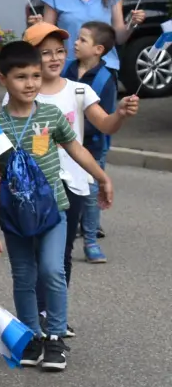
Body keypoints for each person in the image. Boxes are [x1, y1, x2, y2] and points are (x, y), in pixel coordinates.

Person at [0, 40, 113, 372]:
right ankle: (32, 336)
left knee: (52, 270)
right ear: (3, 79)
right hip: (14, 216)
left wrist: (102, 178)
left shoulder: (50, 115)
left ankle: (56, 336)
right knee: (23, 276)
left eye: (34, 76)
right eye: (20, 77)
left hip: (53, 209)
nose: (30, 84)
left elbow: (77, 150)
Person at [17, 22, 136, 302]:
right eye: (45, 53)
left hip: (72, 184)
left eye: (59, 51)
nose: (55, 58)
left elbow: (106, 125)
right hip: (31, 185)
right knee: (34, 254)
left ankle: (55, 316)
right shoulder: (20, 94)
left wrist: (120, 113)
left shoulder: (78, 91)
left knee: (62, 253)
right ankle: (34, 314)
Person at [64, 21, 121, 263]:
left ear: (98, 49)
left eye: (82, 40)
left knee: (90, 194)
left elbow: (104, 117)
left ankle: (90, 240)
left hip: (91, 145)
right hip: (62, 144)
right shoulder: (65, 69)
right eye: (76, 38)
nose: (75, 43)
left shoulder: (106, 79)